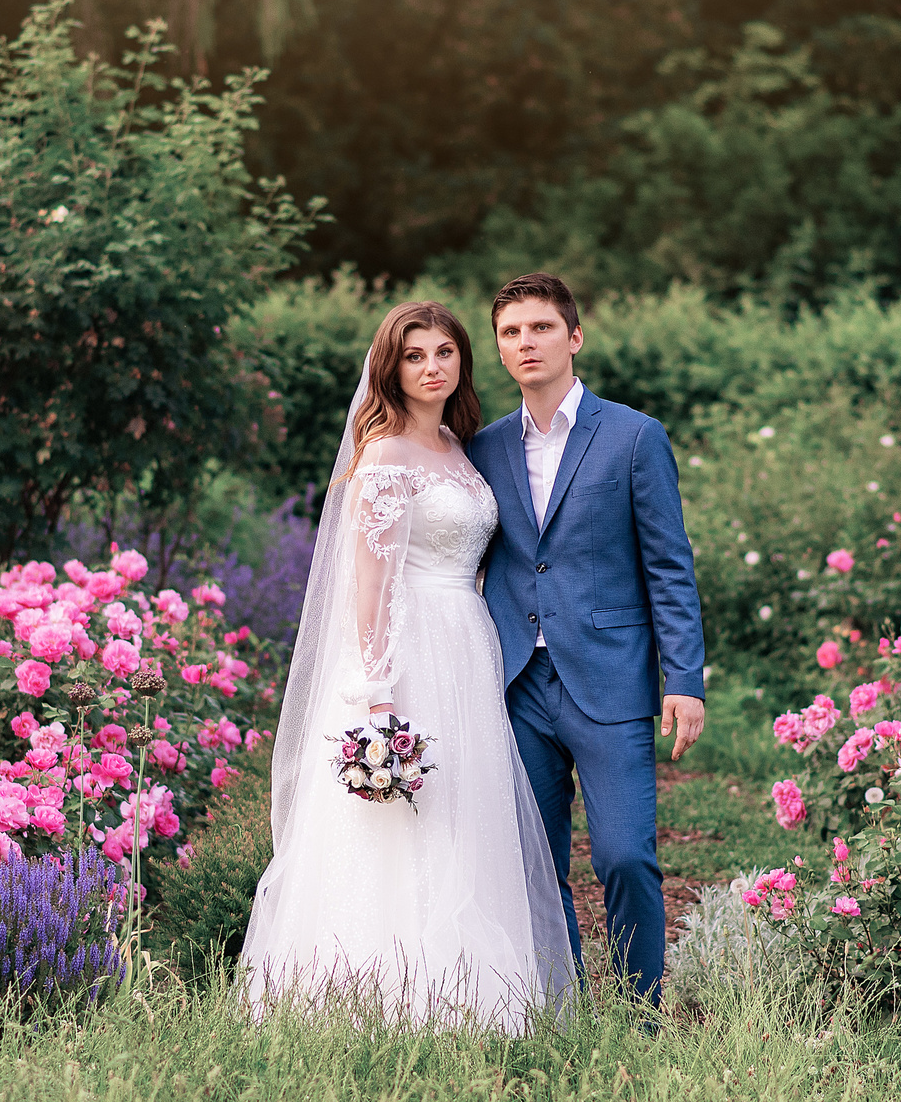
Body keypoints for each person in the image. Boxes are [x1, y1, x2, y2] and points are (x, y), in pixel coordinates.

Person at [241, 300, 578, 1030]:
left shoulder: (462, 448)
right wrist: (375, 695)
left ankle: (478, 994)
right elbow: (370, 584)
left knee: (466, 813)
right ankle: (388, 999)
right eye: (415, 355)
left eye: (444, 352)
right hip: (409, 647)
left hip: (470, 641)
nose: (432, 366)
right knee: (405, 827)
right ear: (391, 368)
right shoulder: (388, 454)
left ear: (461, 360)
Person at [467, 272, 706, 1005]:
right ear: (501, 349)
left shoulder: (633, 436)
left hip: (610, 678)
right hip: (516, 685)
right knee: (536, 862)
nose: (525, 342)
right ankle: (565, 1006)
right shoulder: (482, 448)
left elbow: (668, 564)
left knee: (626, 854)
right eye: (511, 332)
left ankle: (641, 1010)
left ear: (574, 337)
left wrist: (684, 680)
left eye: (540, 327)